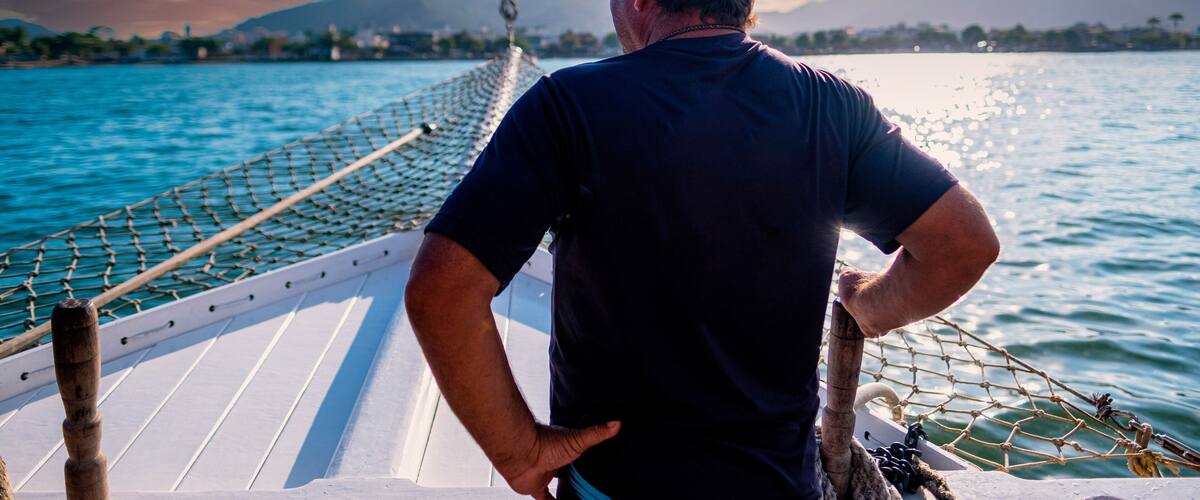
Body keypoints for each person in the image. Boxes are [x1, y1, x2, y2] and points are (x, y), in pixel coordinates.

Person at [404, 0, 1000, 498]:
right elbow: (964, 245)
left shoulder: (568, 105)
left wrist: (520, 452)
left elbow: (443, 291)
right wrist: (877, 305)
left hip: (617, 487)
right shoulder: (832, 105)